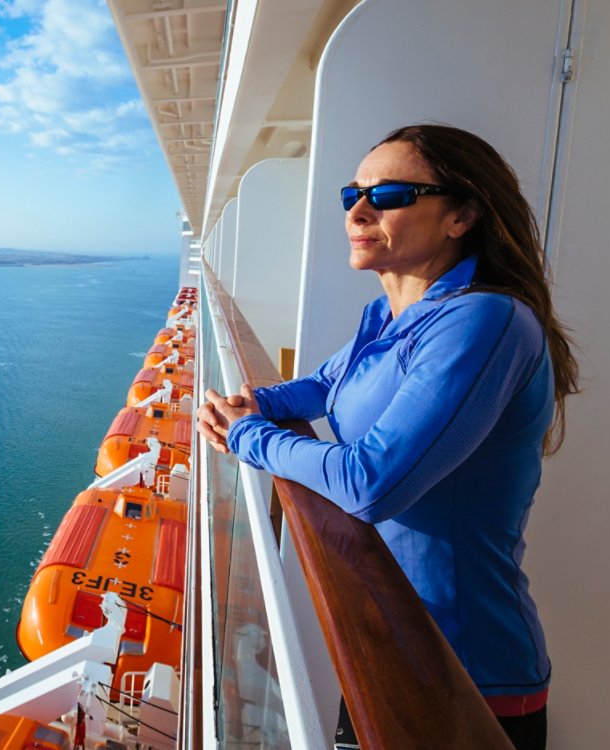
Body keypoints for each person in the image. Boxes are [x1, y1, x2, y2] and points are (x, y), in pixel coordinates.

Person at [196, 124, 578, 750]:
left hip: (467, 672)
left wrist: (248, 437)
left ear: (462, 215)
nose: (360, 210)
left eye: (390, 194)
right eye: (353, 194)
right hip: (388, 635)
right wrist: (255, 402)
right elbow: (321, 385)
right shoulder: (390, 312)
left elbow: (370, 483)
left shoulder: (486, 320)